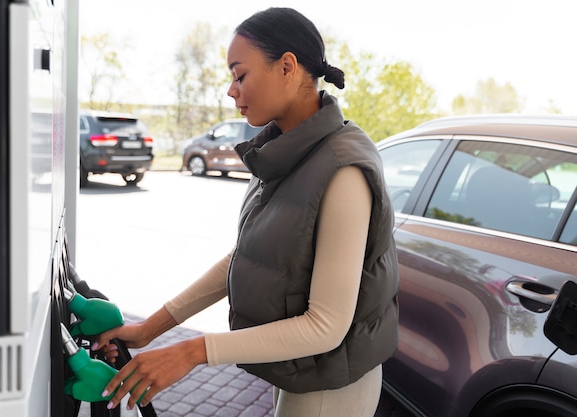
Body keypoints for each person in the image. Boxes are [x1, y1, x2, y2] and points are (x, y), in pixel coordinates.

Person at [92, 7, 399, 416]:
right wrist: (150, 329)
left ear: (287, 67)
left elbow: (326, 326)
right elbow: (248, 258)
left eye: (240, 75)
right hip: (300, 373)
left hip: (330, 387)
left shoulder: (343, 169)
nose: (231, 90)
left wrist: (192, 352)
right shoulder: (284, 153)